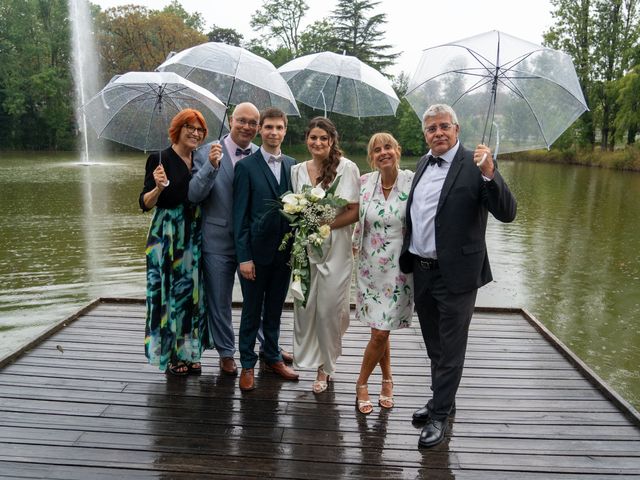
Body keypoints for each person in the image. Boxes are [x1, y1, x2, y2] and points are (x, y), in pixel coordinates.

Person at [399, 104, 517, 448]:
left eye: (443, 127)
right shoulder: (422, 162)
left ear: (457, 128)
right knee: (434, 344)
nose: (438, 133)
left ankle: (439, 417)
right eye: (431, 128)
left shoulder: (476, 164)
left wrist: (490, 173)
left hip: (458, 275)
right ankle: (443, 399)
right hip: (422, 270)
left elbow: (507, 213)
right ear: (425, 134)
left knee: (451, 348)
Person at [189, 102, 293, 377]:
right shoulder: (206, 152)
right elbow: (194, 195)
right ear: (231, 120)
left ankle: (268, 346)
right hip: (219, 239)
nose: (246, 126)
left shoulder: (263, 154)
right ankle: (226, 352)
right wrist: (211, 166)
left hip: (256, 242)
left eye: (252, 122)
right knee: (220, 299)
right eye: (241, 121)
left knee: (257, 299)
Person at [291, 117, 360, 394]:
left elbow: (354, 210)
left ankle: (325, 368)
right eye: (312, 138)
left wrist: (324, 225)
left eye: (323, 138)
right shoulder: (297, 170)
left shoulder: (347, 168)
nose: (317, 143)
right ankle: (314, 357)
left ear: (332, 141)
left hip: (337, 248)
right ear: (306, 139)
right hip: (306, 248)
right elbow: (295, 207)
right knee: (307, 309)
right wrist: (302, 218)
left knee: (331, 310)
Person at [233, 107, 299, 391]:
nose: (274, 132)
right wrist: (244, 257)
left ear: (285, 130)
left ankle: (271, 356)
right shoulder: (246, 167)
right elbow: (240, 217)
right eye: (268, 127)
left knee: (275, 309)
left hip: (283, 255)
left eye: (279, 127)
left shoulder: (293, 166)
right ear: (260, 130)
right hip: (255, 257)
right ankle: (246, 364)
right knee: (251, 311)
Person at [139, 108, 208, 376]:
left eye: (200, 129)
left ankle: (190, 352)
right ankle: (170, 355)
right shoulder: (159, 159)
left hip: (192, 234)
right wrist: (157, 187)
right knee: (167, 293)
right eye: (189, 127)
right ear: (176, 130)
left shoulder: (200, 158)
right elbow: (144, 203)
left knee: (191, 293)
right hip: (167, 234)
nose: (195, 133)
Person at [352, 133, 414, 414]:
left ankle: (361, 382)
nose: (383, 152)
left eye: (388, 147)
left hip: (399, 271)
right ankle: (387, 379)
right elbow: (349, 213)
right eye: (377, 150)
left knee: (380, 331)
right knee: (380, 329)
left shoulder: (412, 181)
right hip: (369, 269)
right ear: (371, 157)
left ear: (397, 150)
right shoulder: (364, 183)